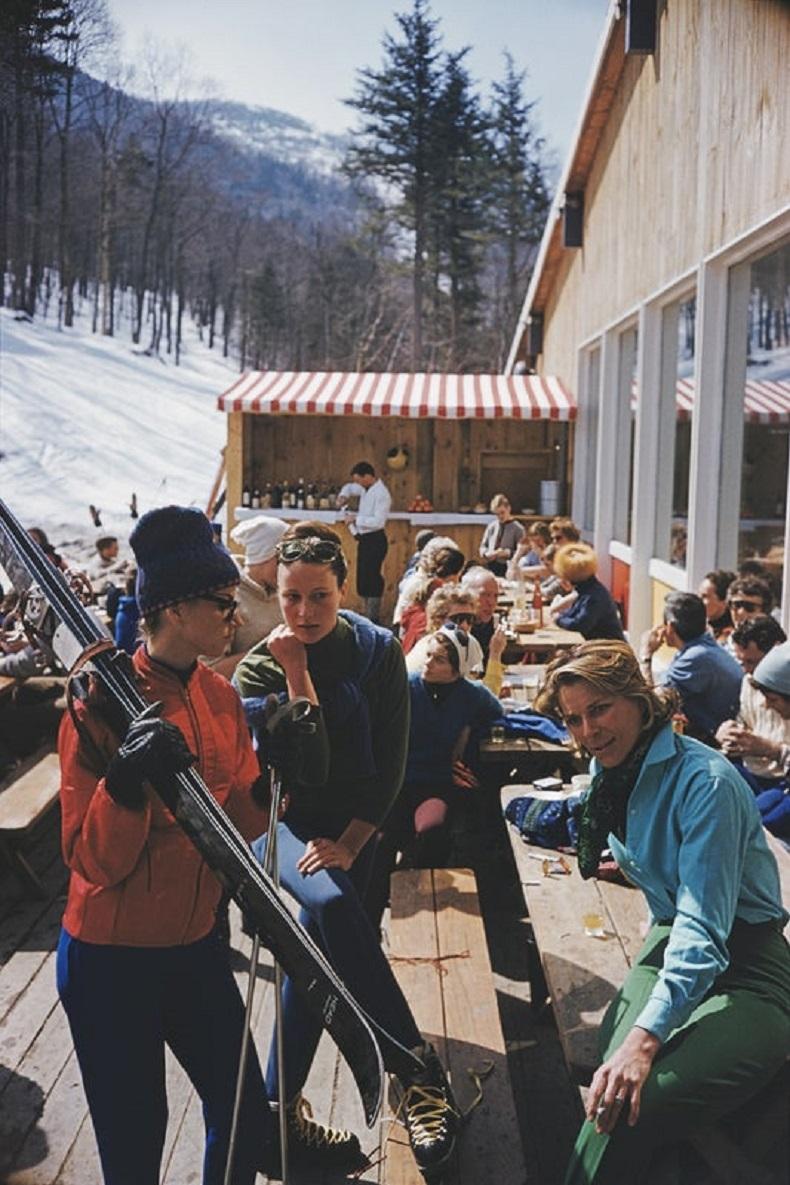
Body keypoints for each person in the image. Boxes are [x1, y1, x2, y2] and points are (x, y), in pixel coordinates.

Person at [55, 505, 283, 1185]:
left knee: (244, 1108)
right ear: (178, 608)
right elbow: (90, 861)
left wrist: (277, 780)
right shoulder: (98, 704)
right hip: (111, 963)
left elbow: (238, 824)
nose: (234, 616)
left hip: (194, 948)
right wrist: (123, 782)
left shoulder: (217, 694)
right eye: (222, 602)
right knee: (136, 1141)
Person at [233, 521, 460, 1178]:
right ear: (275, 589)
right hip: (284, 823)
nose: (304, 612)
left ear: (343, 591)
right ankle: (416, 1066)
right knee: (329, 905)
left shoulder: (378, 649)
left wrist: (355, 840)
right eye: (291, 596)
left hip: (362, 822)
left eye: (320, 597)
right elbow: (303, 767)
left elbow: (392, 760)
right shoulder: (258, 666)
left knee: (319, 945)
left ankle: (278, 1110)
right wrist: (297, 672)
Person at [535, 640, 790, 1185]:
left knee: (628, 1103)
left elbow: (703, 924)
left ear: (639, 700)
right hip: (673, 944)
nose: (588, 732)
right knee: (613, 1075)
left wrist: (647, 1037)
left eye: (599, 709)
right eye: (574, 720)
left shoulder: (707, 782)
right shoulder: (616, 771)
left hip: (746, 964)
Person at [394, 625, 502, 868]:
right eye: (429, 655)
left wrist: (469, 728)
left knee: (433, 833)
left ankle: (426, 892)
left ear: (458, 668)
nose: (428, 663)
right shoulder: (404, 686)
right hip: (395, 782)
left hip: (435, 782)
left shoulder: (471, 694)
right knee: (379, 843)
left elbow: (497, 714)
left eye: (439, 659)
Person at [639, 591, 742, 742]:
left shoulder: (695, 659)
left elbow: (653, 705)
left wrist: (646, 655)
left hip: (717, 741)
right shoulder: (702, 647)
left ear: (670, 627)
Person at [203, 513, 287, 678]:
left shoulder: (285, 592)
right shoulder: (226, 596)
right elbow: (210, 671)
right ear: (264, 556)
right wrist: (269, 652)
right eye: (282, 559)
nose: (287, 567)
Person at [716, 615, 789, 788]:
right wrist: (729, 731)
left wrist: (769, 749)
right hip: (750, 771)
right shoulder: (748, 680)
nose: (747, 670)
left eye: (752, 662)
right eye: (742, 662)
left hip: (780, 777)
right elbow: (747, 721)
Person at [341, 460, 391, 623]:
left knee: (373, 578)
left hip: (375, 539)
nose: (357, 484)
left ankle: (372, 616)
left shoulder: (382, 494)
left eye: (359, 480)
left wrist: (356, 518)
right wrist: (343, 495)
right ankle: (366, 614)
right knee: (363, 578)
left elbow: (378, 522)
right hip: (364, 539)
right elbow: (349, 488)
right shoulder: (365, 487)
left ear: (368, 476)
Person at [404, 584, 487, 679]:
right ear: (438, 621)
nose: (464, 625)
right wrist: (495, 655)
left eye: (470, 619)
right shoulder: (430, 650)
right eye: (457, 619)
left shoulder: (469, 645)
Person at [550, 543, 625, 642]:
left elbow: (579, 625)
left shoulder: (593, 597)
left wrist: (558, 619)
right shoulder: (588, 590)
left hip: (609, 651)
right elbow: (570, 614)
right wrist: (561, 617)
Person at [479, 494, 525, 577]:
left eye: (502, 512)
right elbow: (483, 546)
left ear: (509, 509)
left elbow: (522, 552)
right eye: (497, 514)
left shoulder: (518, 529)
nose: (500, 516)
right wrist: (487, 553)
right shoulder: (492, 526)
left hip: (507, 567)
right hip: (490, 565)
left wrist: (508, 553)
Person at [697, 569, 736, 642]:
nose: (698, 600)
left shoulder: (731, 636)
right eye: (698, 594)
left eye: (704, 596)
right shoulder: (699, 625)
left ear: (725, 601)